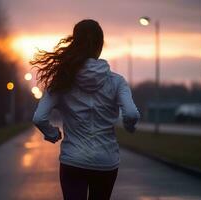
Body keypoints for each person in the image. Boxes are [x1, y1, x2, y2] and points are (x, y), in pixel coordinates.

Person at [31, 19, 140, 200]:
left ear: (75, 43)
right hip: (106, 162)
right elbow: (131, 113)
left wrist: (51, 134)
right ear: (100, 46)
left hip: (73, 160)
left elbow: (39, 117)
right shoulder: (117, 82)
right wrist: (130, 125)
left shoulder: (62, 80)